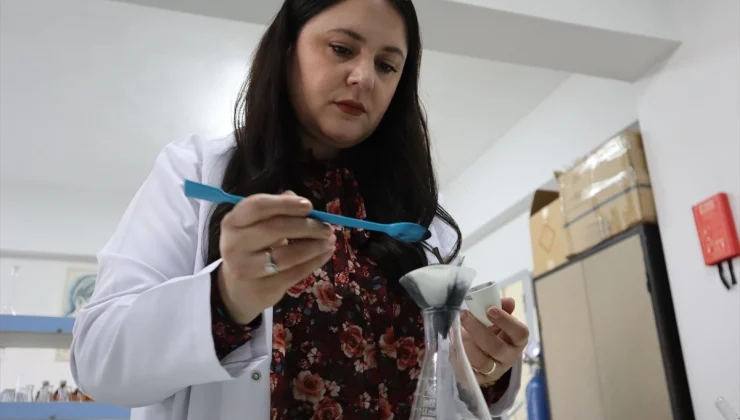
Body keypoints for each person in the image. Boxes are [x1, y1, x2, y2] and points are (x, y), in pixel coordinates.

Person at [69, 0, 529, 418]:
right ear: (288, 50)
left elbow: (446, 387)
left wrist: (485, 366)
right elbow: (97, 360)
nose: (364, 77)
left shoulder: (419, 215)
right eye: (341, 49)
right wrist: (227, 297)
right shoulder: (196, 171)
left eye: (387, 65)